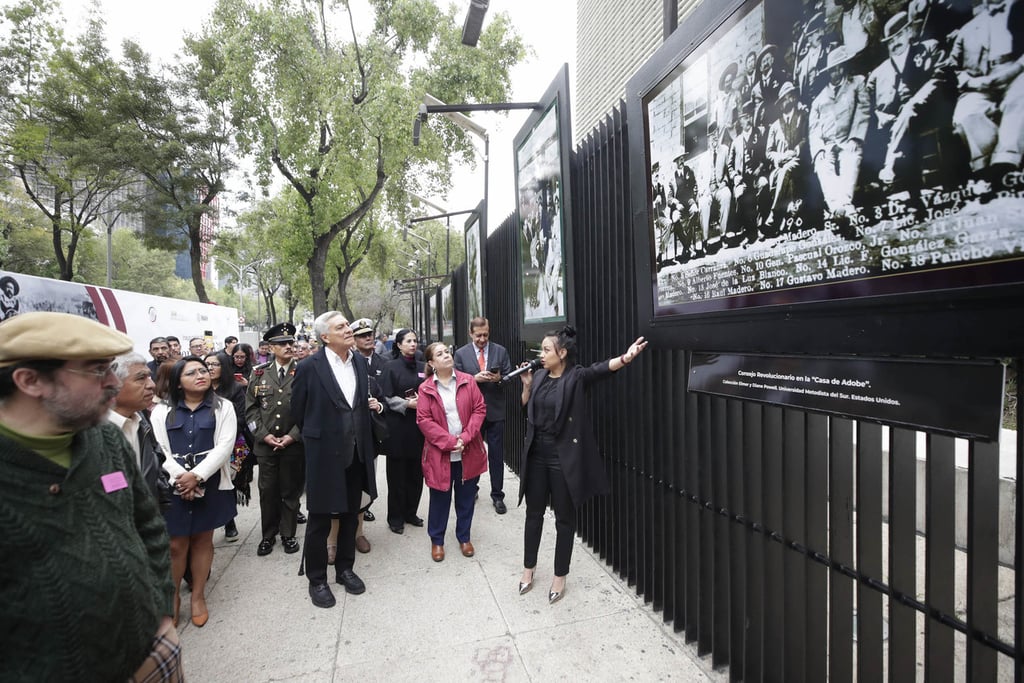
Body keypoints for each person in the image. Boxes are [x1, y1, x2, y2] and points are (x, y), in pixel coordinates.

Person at [0, 312, 180, 680]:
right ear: (30, 380)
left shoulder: (107, 439)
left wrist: (161, 612)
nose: (114, 383)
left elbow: (148, 527)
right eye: (98, 371)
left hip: (151, 654)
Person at [517, 326, 647, 605]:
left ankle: (559, 576)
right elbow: (526, 408)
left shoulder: (575, 377)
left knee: (564, 519)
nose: (542, 354)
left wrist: (626, 357)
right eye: (542, 349)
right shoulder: (538, 376)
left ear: (562, 353)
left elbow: (601, 370)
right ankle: (528, 569)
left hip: (563, 458)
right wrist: (527, 386)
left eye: (547, 350)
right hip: (537, 454)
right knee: (533, 514)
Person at [291, 311, 383, 608]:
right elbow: (299, 410)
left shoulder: (357, 360)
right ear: (324, 336)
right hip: (324, 455)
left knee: (349, 514)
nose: (348, 329)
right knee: (319, 519)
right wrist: (320, 440)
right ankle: (317, 579)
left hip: (356, 452)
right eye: (341, 326)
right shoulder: (308, 367)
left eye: (347, 325)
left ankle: (345, 568)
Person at [151, 357, 237, 628]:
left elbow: (225, 446)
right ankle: (173, 598)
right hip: (173, 483)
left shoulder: (223, 407)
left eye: (203, 370)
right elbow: (159, 449)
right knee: (175, 545)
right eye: (191, 372)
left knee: (202, 540)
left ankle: (198, 596)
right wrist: (182, 477)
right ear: (178, 381)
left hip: (210, 481)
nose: (201, 375)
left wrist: (197, 476)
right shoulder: (161, 411)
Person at [417, 342, 487, 562]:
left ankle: (464, 537)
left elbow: (479, 409)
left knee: (466, 498)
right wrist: (449, 442)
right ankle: (437, 541)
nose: (446, 355)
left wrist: (465, 438)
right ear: (431, 363)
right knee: (440, 500)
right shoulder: (426, 388)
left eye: (447, 352)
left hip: (468, 451)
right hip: (441, 454)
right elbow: (424, 420)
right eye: (440, 354)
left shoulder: (468, 381)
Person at [246, 323, 304, 557]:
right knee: (268, 492)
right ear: (271, 348)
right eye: (282, 344)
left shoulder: (303, 371)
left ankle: (288, 534)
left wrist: (293, 436)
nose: (289, 346)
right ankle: (267, 536)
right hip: (266, 445)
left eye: (291, 342)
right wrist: (263, 435)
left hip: (294, 444)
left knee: (290, 491)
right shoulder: (259, 372)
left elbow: (310, 410)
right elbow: (251, 410)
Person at [453, 317, 513, 514]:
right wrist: (473, 379)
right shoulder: (461, 354)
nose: (482, 339)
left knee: (496, 455)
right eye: (478, 335)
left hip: (495, 410)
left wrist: (499, 379)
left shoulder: (500, 351)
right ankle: (472, 489)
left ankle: (498, 495)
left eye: (485, 335)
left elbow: (508, 377)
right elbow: (455, 380)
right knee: (471, 453)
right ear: (471, 333)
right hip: (471, 413)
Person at [809, 46, 870, 233]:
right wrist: (818, 150)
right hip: (827, 144)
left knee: (849, 159)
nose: (836, 72)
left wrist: (855, 138)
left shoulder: (857, 84)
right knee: (822, 166)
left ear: (845, 67)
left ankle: (844, 207)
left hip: (848, 140)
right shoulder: (818, 100)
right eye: (832, 69)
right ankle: (838, 208)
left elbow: (863, 111)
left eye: (839, 67)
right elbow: (813, 130)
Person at [108, 351, 171, 509]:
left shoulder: (141, 421)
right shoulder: (90, 432)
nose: (151, 385)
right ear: (110, 384)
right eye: (141, 378)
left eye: (149, 377)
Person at [380, 328, 426, 535]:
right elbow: (386, 398)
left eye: (415, 341)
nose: (413, 344)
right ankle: (395, 517)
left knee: (416, 476)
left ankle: (411, 512)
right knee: (397, 477)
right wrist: (408, 404)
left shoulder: (424, 367)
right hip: (398, 428)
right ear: (398, 345)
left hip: (419, 429)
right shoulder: (390, 367)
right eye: (408, 341)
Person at [205, 350, 251, 541]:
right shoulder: (200, 389)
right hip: (205, 444)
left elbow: (242, 418)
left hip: (232, 445)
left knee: (228, 484)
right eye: (206, 365)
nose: (209, 368)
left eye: (214, 364)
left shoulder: (234, 389)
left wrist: (223, 436)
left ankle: (229, 522)